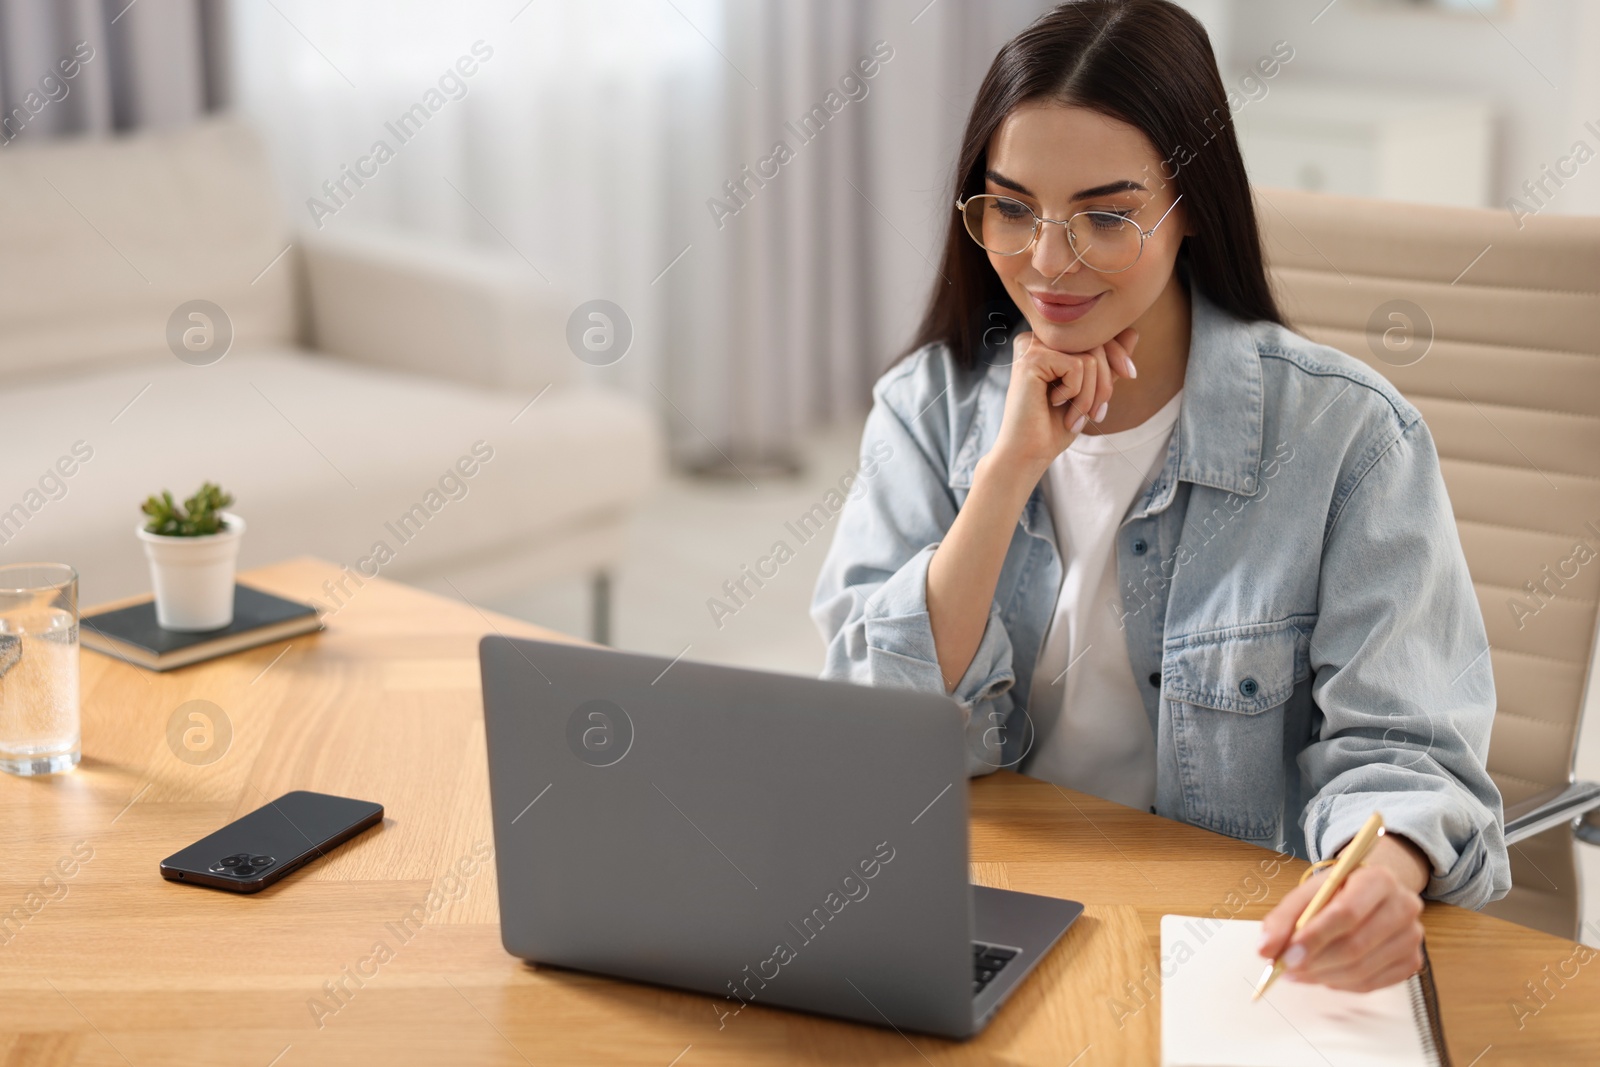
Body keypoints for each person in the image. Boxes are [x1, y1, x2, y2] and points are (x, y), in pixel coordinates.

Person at [810, 0, 1509, 994]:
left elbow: (1403, 750)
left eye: (1103, 214)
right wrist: (1005, 476)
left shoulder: (1349, 437)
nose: (1047, 261)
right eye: (1009, 207)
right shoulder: (926, 407)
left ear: (1191, 206)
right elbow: (867, 734)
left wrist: (1385, 870)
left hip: (1226, 950)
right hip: (976, 915)